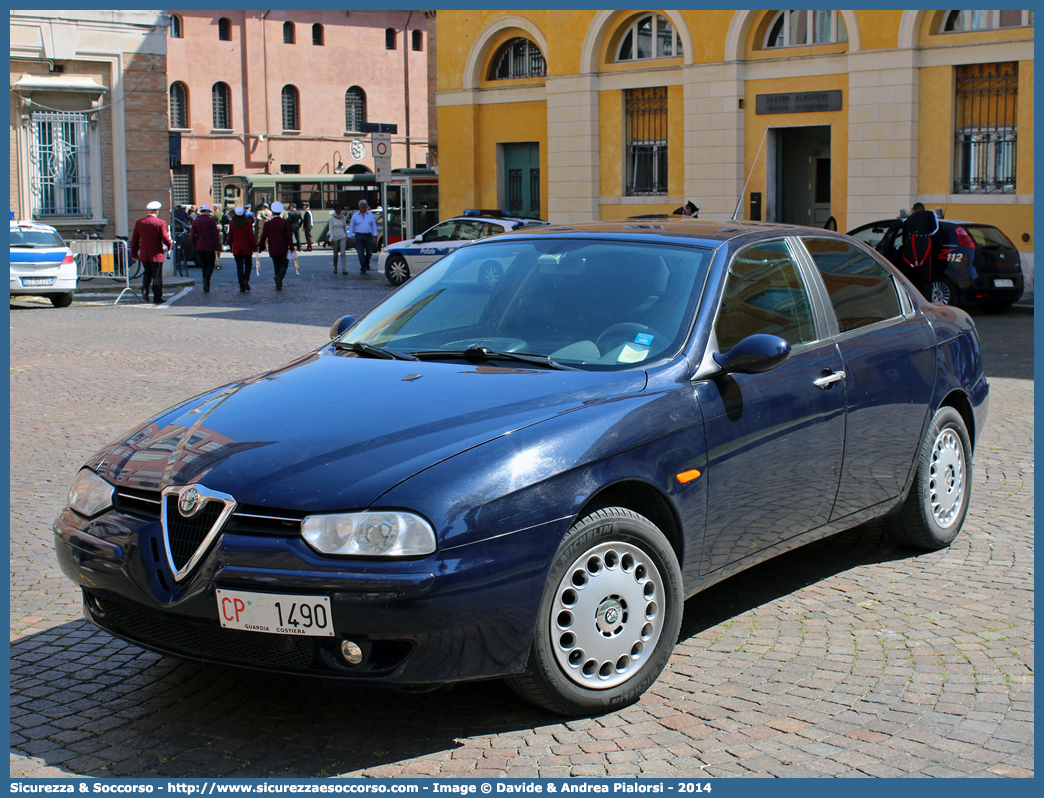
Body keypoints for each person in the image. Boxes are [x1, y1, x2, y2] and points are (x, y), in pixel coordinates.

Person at [129, 200, 173, 305]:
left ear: (148, 210)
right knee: (157, 276)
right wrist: (169, 245)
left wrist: (134, 254)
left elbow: (134, 240)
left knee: (147, 273)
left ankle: (145, 290)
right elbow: (165, 237)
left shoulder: (139, 222)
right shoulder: (160, 222)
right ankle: (157, 297)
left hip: (144, 253)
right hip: (156, 253)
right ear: (157, 211)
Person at [898, 202, 940, 301]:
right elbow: (936, 233)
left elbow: (904, 240)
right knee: (925, 280)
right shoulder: (929, 215)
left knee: (911, 280)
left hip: (909, 253)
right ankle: (926, 303)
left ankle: (912, 302)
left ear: (913, 210)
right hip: (925, 250)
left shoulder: (908, 221)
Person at [258, 200, 295, 290]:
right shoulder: (284, 222)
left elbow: (263, 237)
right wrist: (291, 246)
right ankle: (279, 278)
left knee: (276, 265)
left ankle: (278, 282)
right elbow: (288, 236)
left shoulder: (267, 224)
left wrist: (260, 246)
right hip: (282, 247)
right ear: (281, 211)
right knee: (284, 264)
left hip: (272, 247)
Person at [189, 203, 222, 292]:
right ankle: (207, 279)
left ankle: (205, 279)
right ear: (207, 211)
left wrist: (195, 245)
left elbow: (192, 237)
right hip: (210, 246)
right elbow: (215, 235)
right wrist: (218, 247)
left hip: (199, 247)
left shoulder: (195, 221)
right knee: (210, 265)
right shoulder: (211, 221)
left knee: (203, 266)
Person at [228, 205, 257, 293]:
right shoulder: (248, 222)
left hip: (237, 248)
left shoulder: (232, 223)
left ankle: (241, 285)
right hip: (247, 247)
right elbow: (251, 236)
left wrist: (230, 246)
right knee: (248, 265)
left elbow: (230, 236)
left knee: (239, 267)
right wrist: (254, 247)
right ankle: (246, 279)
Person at [349, 199, 378, 274]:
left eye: (364, 206)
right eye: (361, 206)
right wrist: (349, 236)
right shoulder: (355, 216)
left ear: (366, 207)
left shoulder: (370, 215)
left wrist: (375, 235)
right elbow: (351, 227)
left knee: (369, 252)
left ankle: (366, 262)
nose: (362, 208)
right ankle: (363, 268)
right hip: (359, 235)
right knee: (360, 253)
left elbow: (373, 226)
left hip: (368, 235)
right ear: (359, 207)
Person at [328, 205, 349, 274]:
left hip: (342, 236)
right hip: (335, 237)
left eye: (340, 209)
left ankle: (344, 268)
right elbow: (330, 229)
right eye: (337, 209)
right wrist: (332, 238)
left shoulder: (343, 218)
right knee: (335, 254)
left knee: (343, 253)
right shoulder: (332, 218)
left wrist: (347, 236)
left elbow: (345, 228)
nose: (339, 210)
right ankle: (335, 267)